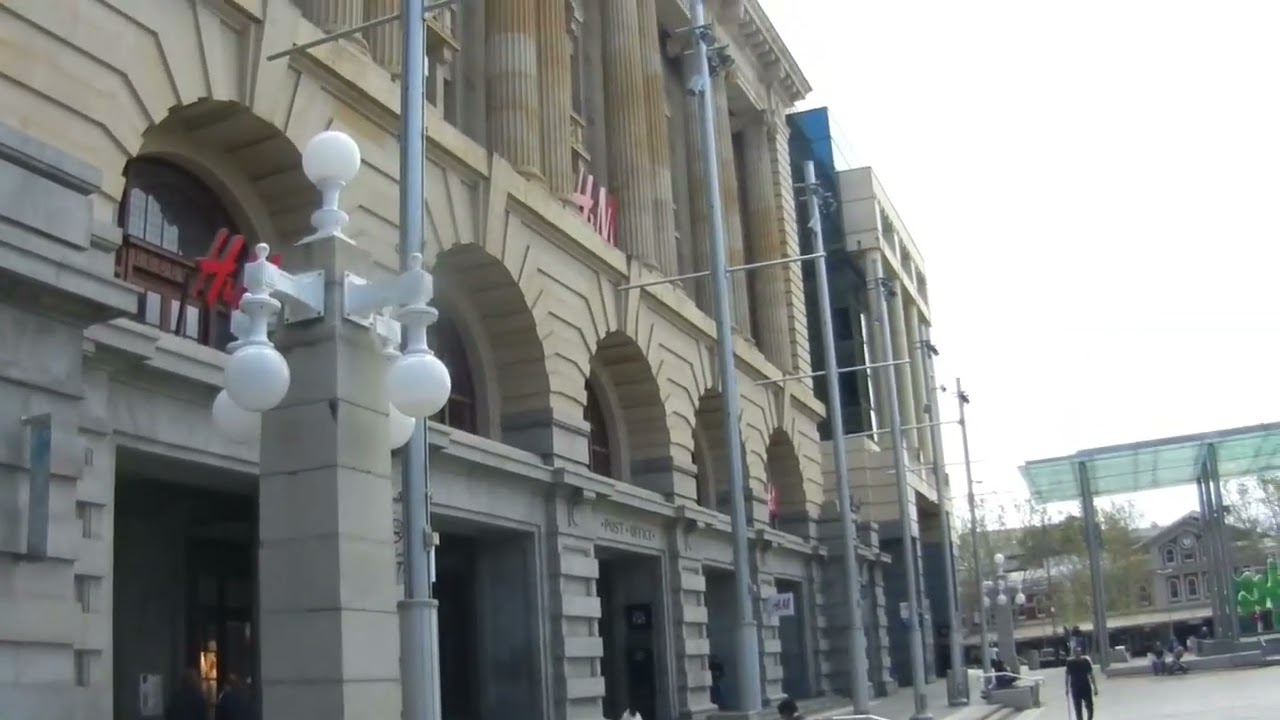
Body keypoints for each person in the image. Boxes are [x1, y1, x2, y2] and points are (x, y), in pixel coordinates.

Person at [1064, 646, 1098, 720]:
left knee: (1090, 707)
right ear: (1074, 653)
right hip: (1075, 688)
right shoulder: (1070, 663)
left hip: (1086, 686)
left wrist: (1095, 687)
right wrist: (1067, 688)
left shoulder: (1085, 661)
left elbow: (1091, 674)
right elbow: (1067, 676)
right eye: (1076, 651)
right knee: (1078, 709)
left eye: (1079, 651)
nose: (1078, 653)